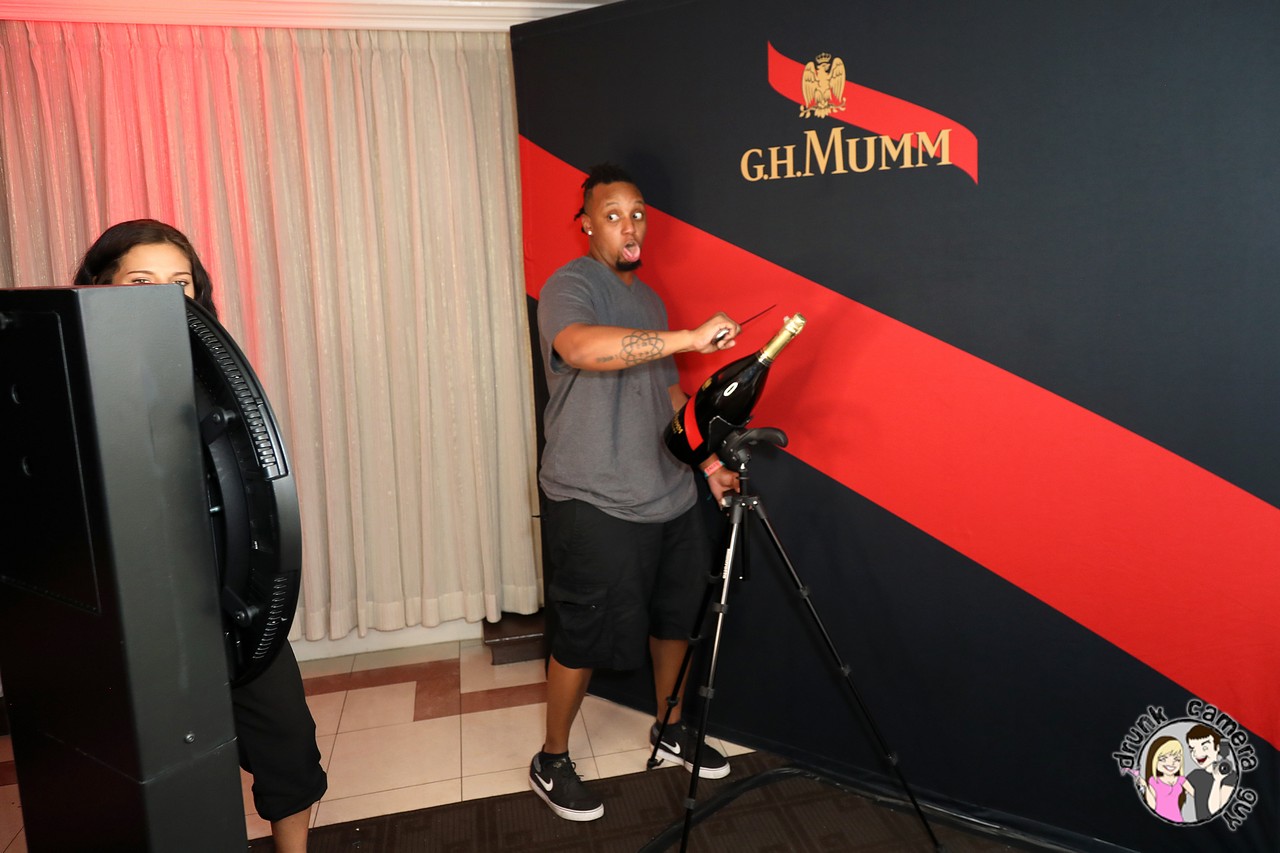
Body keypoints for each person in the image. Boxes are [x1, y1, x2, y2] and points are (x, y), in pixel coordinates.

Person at [74, 219, 327, 852]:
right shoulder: (75, 378)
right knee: (166, 765)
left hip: (226, 594)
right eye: (141, 281)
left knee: (287, 740)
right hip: (138, 611)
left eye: (179, 282)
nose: (164, 296)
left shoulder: (212, 374)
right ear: (100, 286)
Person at [530, 164, 743, 822]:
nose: (630, 226)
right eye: (613, 214)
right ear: (586, 224)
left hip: (667, 491)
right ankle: (552, 758)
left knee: (675, 618)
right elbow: (579, 347)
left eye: (638, 213)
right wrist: (689, 336)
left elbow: (667, 391)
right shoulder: (570, 285)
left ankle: (670, 727)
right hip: (593, 495)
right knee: (581, 631)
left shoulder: (649, 301)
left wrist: (708, 463)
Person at [1185, 724, 1238, 820]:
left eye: (1205, 747)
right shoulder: (1195, 775)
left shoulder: (1230, 776)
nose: (1197, 754)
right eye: (1192, 749)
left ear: (1217, 748)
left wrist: (1217, 780)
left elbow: (1215, 810)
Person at [1143, 735, 1193, 823]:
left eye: (1177, 759)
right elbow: (1152, 806)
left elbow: (1197, 795)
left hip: (1177, 820)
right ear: (1154, 760)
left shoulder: (1181, 780)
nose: (1171, 763)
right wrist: (1145, 786)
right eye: (1163, 759)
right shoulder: (1153, 781)